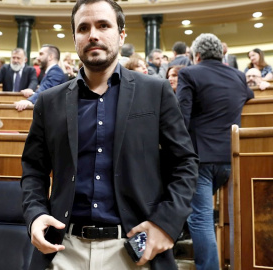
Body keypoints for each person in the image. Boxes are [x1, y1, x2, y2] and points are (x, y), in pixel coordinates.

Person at [21, 0, 199, 269]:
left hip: (135, 250)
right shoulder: (48, 102)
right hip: (63, 250)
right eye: (83, 28)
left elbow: (185, 163)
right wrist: (35, 214)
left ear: (121, 34)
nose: (93, 34)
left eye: (103, 25)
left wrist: (166, 224)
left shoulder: (156, 92)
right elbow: (34, 169)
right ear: (75, 38)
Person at [176, 33, 254, 270]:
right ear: (221, 54)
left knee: (201, 219)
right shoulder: (239, 76)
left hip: (200, 159)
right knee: (235, 217)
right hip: (233, 157)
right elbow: (249, 96)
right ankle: (236, 263)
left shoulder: (188, 73)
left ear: (196, 55)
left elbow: (182, 118)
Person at [14, 44, 67, 111]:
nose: (37, 58)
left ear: (50, 57)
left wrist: (29, 101)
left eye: (41, 54)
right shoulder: (51, 71)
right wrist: (34, 93)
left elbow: (46, 89)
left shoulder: (55, 72)